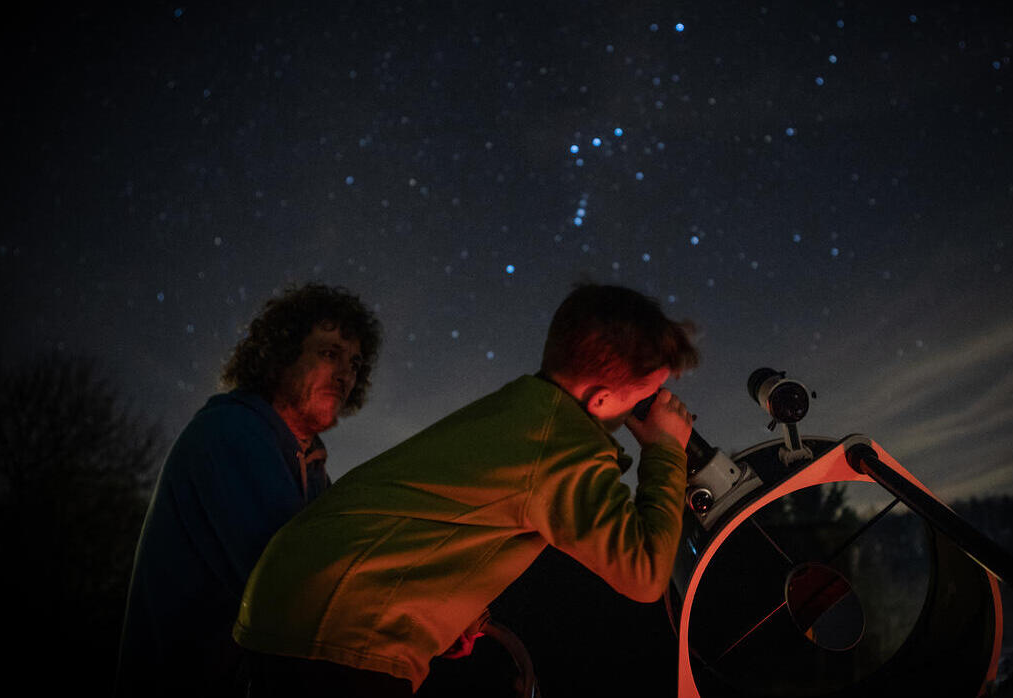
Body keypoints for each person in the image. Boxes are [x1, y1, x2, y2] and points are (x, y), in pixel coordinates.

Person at [233, 283, 699, 696]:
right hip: (344, 627)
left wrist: (453, 610)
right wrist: (664, 450)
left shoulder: (521, 412)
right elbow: (643, 574)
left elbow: (438, 517)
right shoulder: (564, 446)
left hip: (293, 598)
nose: (649, 406)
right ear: (601, 399)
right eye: (644, 395)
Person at [116, 283, 382, 697]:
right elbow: (296, 586)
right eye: (330, 353)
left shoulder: (310, 466)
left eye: (354, 363)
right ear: (281, 354)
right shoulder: (229, 432)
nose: (346, 374)